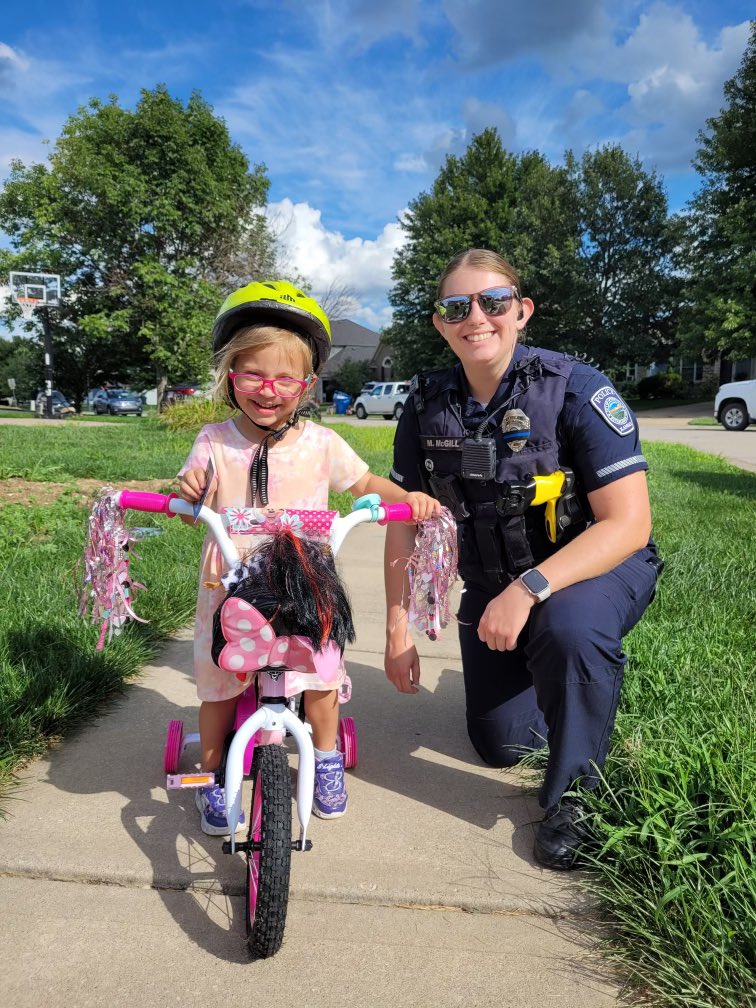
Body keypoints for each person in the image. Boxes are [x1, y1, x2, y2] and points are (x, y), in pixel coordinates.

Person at [384, 249, 663, 870]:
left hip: (597, 565)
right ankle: (573, 683)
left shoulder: (575, 388)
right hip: (494, 579)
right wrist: (398, 628)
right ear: (439, 322)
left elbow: (629, 523)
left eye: (493, 302)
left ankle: (577, 799)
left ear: (522, 311)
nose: (475, 317)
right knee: (502, 745)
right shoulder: (425, 403)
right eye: (457, 306)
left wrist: (530, 588)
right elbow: (404, 521)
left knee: (570, 625)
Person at [178, 280, 440, 836]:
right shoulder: (214, 440)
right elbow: (188, 497)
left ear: (308, 384)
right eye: (252, 374)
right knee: (219, 689)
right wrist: (190, 488)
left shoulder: (321, 444)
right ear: (231, 375)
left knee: (320, 683)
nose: (268, 390)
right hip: (229, 588)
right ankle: (214, 779)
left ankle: (325, 760)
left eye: (285, 378)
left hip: (304, 589)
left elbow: (364, 481)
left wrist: (406, 497)